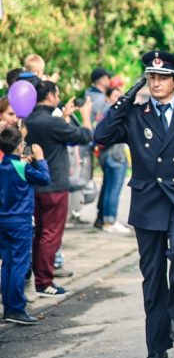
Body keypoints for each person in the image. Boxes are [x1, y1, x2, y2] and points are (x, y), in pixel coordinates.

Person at [94, 51, 174, 358]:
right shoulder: (136, 115)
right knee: (152, 282)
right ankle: (157, 350)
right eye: (151, 77)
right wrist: (127, 97)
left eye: (163, 77)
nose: (156, 82)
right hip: (148, 203)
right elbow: (102, 134)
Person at [24, 81, 93, 298]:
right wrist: (86, 116)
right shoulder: (53, 123)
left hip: (34, 182)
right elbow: (84, 136)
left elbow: (55, 137)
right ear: (52, 96)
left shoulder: (29, 119)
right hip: (54, 185)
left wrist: (64, 116)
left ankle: (37, 278)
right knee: (50, 234)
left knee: (39, 233)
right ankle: (44, 282)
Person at [0, 127, 51, 325]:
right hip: (20, 221)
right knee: (20, 264)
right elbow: (45, 178)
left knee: (8, 264)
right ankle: (17, 309)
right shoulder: (22, 167)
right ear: (20, 146)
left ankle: (8, 307)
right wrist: (40, 159)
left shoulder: (5, 166)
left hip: (3, 220)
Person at [99, 87, 131, 234]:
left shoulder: (105, 111)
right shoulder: (113, 112)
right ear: (108, 97)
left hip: (106, 154)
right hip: (115, 154)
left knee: (109, 188)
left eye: (120, 95)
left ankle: (107, 220)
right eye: (115, 95)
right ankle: (110, 220)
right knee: (114, 189)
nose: (119, 98)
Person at [88, 67, 112, 230]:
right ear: (102, 80)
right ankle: (107, 219)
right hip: (102, 145)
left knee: (107, 183)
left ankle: (100, 217)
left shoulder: (90, 96)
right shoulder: (100, 100)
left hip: (94, 143)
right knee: (111, 184)